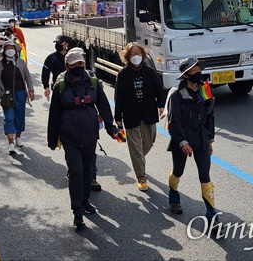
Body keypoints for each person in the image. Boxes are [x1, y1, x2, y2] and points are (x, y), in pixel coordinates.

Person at [48, 50, 118, 230]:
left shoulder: (93, 83)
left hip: (90, 135)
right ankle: (77, 210)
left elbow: (103, 105)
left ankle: (85, 201)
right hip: (69, 136)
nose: (79, 67)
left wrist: (111, 128)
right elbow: (54, 114)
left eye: (81, 64)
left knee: (87, 171)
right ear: (67, 66)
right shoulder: (60, 86)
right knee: (76, 172)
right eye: (75, 65)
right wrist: (52, 139)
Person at [165, 57, 217, 223]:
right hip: (182, 138)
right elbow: (173, 122)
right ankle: (173, 197)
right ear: (186, 75)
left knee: (205, 176)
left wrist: (209, 140)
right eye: (194, 71)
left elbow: (210, 116)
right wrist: (182, 142)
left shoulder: (204, 90)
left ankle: (211, 215)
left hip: (200, 138)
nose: (198, 73)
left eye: (199, 70)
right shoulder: (176, 94)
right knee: (178, 171)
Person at [114, 43, 166, 192]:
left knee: (148, 144)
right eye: (132, 54)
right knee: (136, 149)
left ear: (143, 55)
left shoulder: (149, 71)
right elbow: (119, 97)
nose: (135, 56)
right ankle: (141, 177)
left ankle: (138, 160)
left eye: (138, 53)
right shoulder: (123, 74)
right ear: (127, 57)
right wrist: (118, 118)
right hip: (131, 116)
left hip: (148, 113)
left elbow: (158, 89)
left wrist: (162, 105)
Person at [0, 39, 35, 154]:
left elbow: (28, 77)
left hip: (20, 94)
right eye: (8, 48)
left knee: (19, 116)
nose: (10, 50)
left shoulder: (21, 62)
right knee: (9, 118)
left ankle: (18, 137)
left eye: (12, 48)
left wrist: (31, 90)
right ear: (4, 50)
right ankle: (11, 143)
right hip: (6, 95)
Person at [41, 35, 70, 100]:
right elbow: (45, 73)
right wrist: (46, 87)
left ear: (66, 45)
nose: (58, 45)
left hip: (70, 88)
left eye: (60, 43)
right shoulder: (51, 58)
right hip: (57, 87)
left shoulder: (71, 57)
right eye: (57, 43)